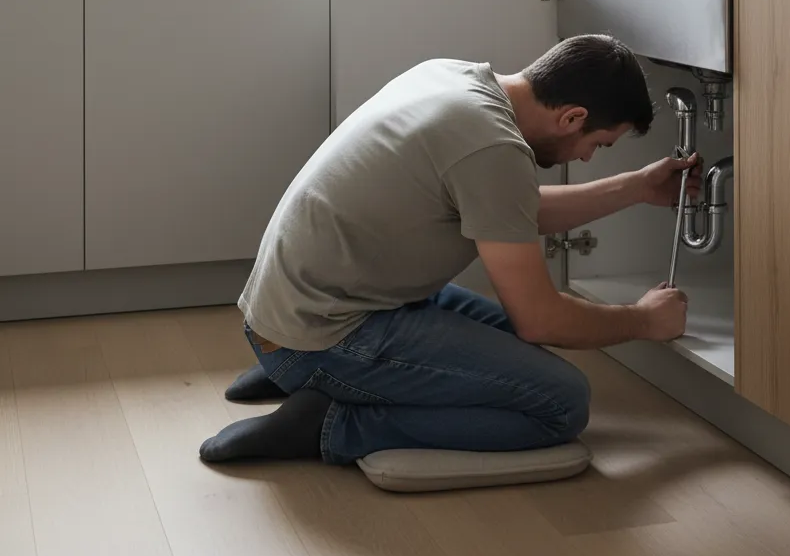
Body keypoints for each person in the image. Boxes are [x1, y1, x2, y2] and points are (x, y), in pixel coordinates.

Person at [200, 34, 699, 466]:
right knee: (561, 403)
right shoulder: (493, 148)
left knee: (518, 348)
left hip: (302, 307)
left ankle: (313, 373)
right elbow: (542, 319)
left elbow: (509, 210)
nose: (588, 157)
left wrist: (637, 188)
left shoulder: (452, 79)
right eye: (599, 144)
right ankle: (330, 420)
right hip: (323, 332)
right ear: (573, 117)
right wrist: (642, 320)